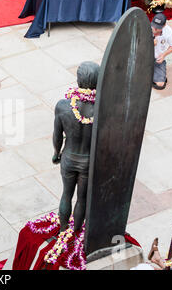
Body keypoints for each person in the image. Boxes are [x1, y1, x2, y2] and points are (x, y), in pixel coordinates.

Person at [52, 61, 99, 232]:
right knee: (82, 198)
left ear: (79, 81)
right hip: (87, 161)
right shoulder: (101, 109)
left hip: (69, 158)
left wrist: (56, 154)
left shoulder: (63, 106)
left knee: (66, 194)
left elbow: (57, 136)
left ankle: (63, 229)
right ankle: (76, 231)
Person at [151, 13, 172, 90]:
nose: (155, 29)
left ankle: (155, 75)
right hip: (144, 57)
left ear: (164, 25)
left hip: (158, 59)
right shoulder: (146, 27)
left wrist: (163, 55)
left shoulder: (168, 32)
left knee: (160, 84)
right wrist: (149, 43)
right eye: (154, 26)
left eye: (158, 27)